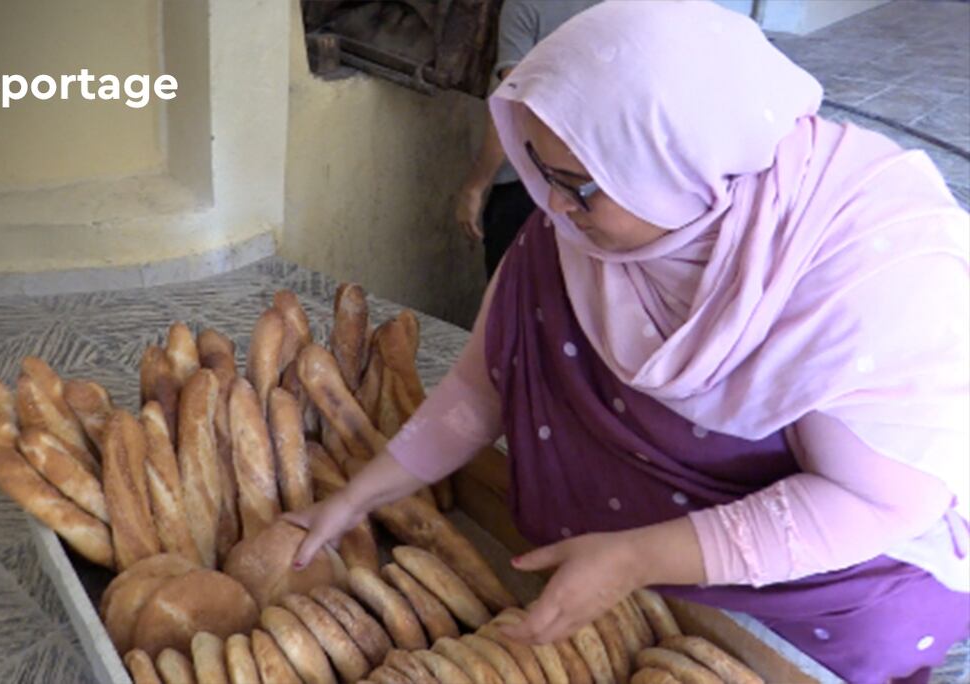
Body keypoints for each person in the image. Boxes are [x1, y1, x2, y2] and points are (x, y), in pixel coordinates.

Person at [291, 2, 970, 682]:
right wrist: (357, 497)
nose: (551, 208)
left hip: (819, 584)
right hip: (616, 559)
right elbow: (479, 390)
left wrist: (637, 559)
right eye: (540, 172)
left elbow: (871, 502)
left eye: (578, 187)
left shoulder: (866, 272)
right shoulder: (571, 240)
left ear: (677, 170)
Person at [455, 0, 599, 278]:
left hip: (527, 186)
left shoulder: (526, 6)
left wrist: (474, 187)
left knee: (514, 303)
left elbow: (514, 105)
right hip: (598, 190)